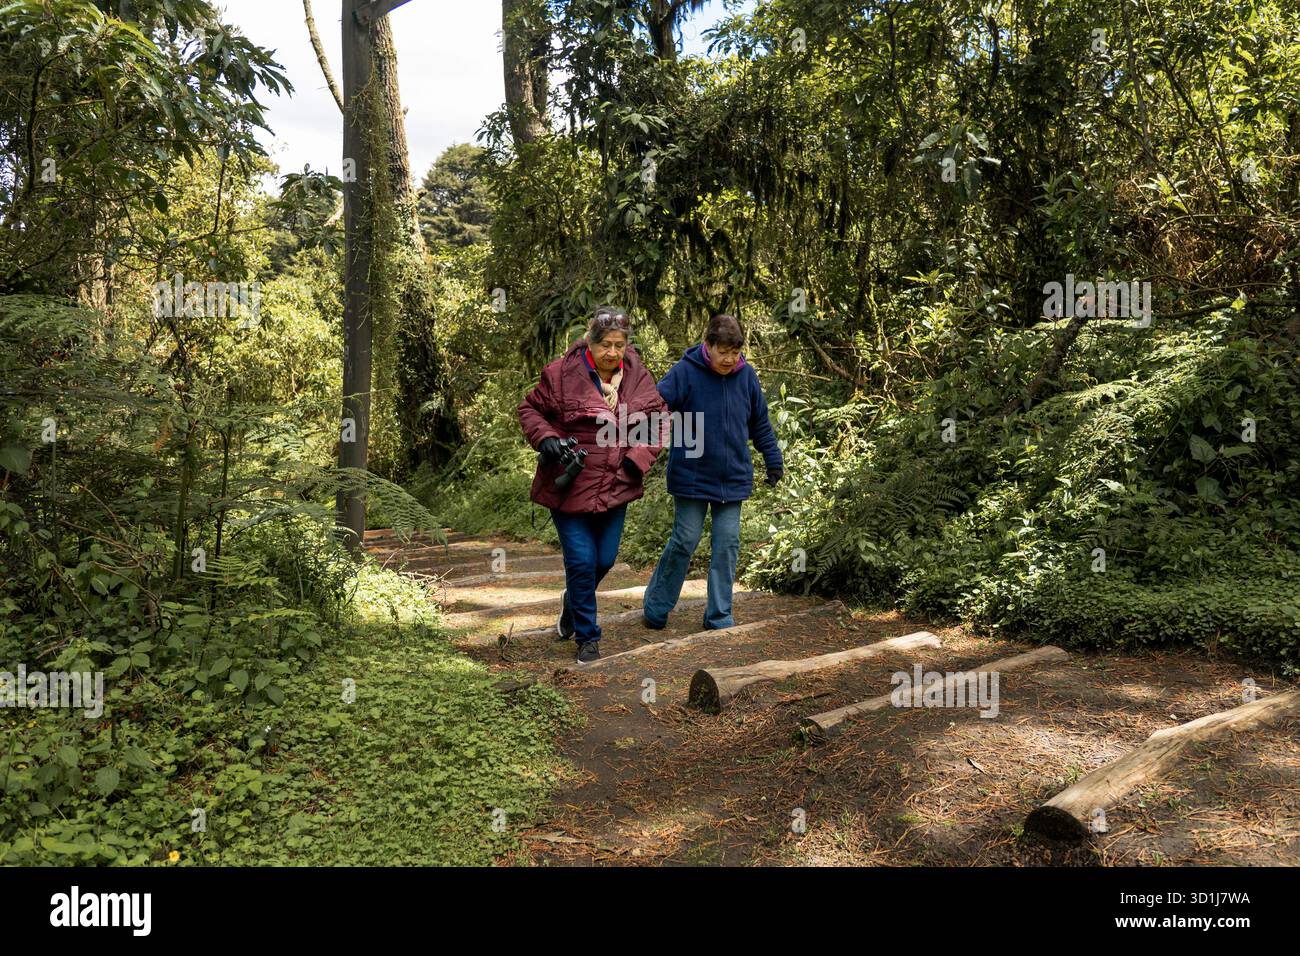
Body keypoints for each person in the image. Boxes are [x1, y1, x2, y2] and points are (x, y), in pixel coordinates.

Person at [518, 306, 667, 661]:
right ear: (590, 342)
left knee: (605, 560)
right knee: (583, 562)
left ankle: (572, 602)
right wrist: (547, 438)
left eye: (619, 345)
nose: (612, 353)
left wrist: (637, 459)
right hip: (568, 486)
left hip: (617, 484)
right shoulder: (561, 374)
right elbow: (530, 410)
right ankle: (587, 637)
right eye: (605, 346)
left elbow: (660, 419)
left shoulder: (637, 376)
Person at [642, 314, 783, 631]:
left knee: (727, 543)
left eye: (735, 352)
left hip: (732, 477)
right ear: (708, 346)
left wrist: (773, 458)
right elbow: (655, 405)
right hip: (691, 475)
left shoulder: (746, 376)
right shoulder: (685, 372)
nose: (730, 359)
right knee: (684, 540)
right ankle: (656, 605)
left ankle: (719, 616)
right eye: (723, 352)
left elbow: (759, 422)